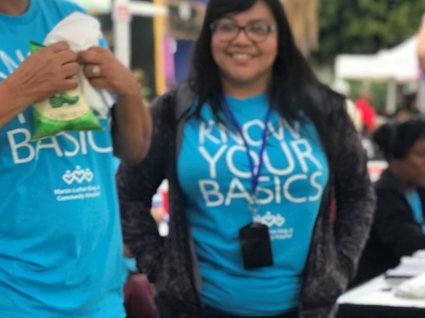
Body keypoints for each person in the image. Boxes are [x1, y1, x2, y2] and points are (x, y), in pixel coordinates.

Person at [117, 0, 375, 317]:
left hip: (305, 310)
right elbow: (128, 194)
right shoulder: (175, 110)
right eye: (227, 26)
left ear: (280, 37)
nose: (242, 39)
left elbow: (358, 193)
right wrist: (162, 267)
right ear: (209, 34)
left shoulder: (324, 110)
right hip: (199, 309)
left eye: (259, 28)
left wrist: (341, 265)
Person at [0, 0, 152, 317]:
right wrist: (17, 91)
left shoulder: (74, 19)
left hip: (101, 297)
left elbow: (135, 150)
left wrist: (129, 91)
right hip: (16, 298)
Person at [353, 116, 425, 286]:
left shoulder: (417, 190)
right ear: (395, 156)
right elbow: (409, 244)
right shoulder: (382, 195)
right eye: (421, 155)